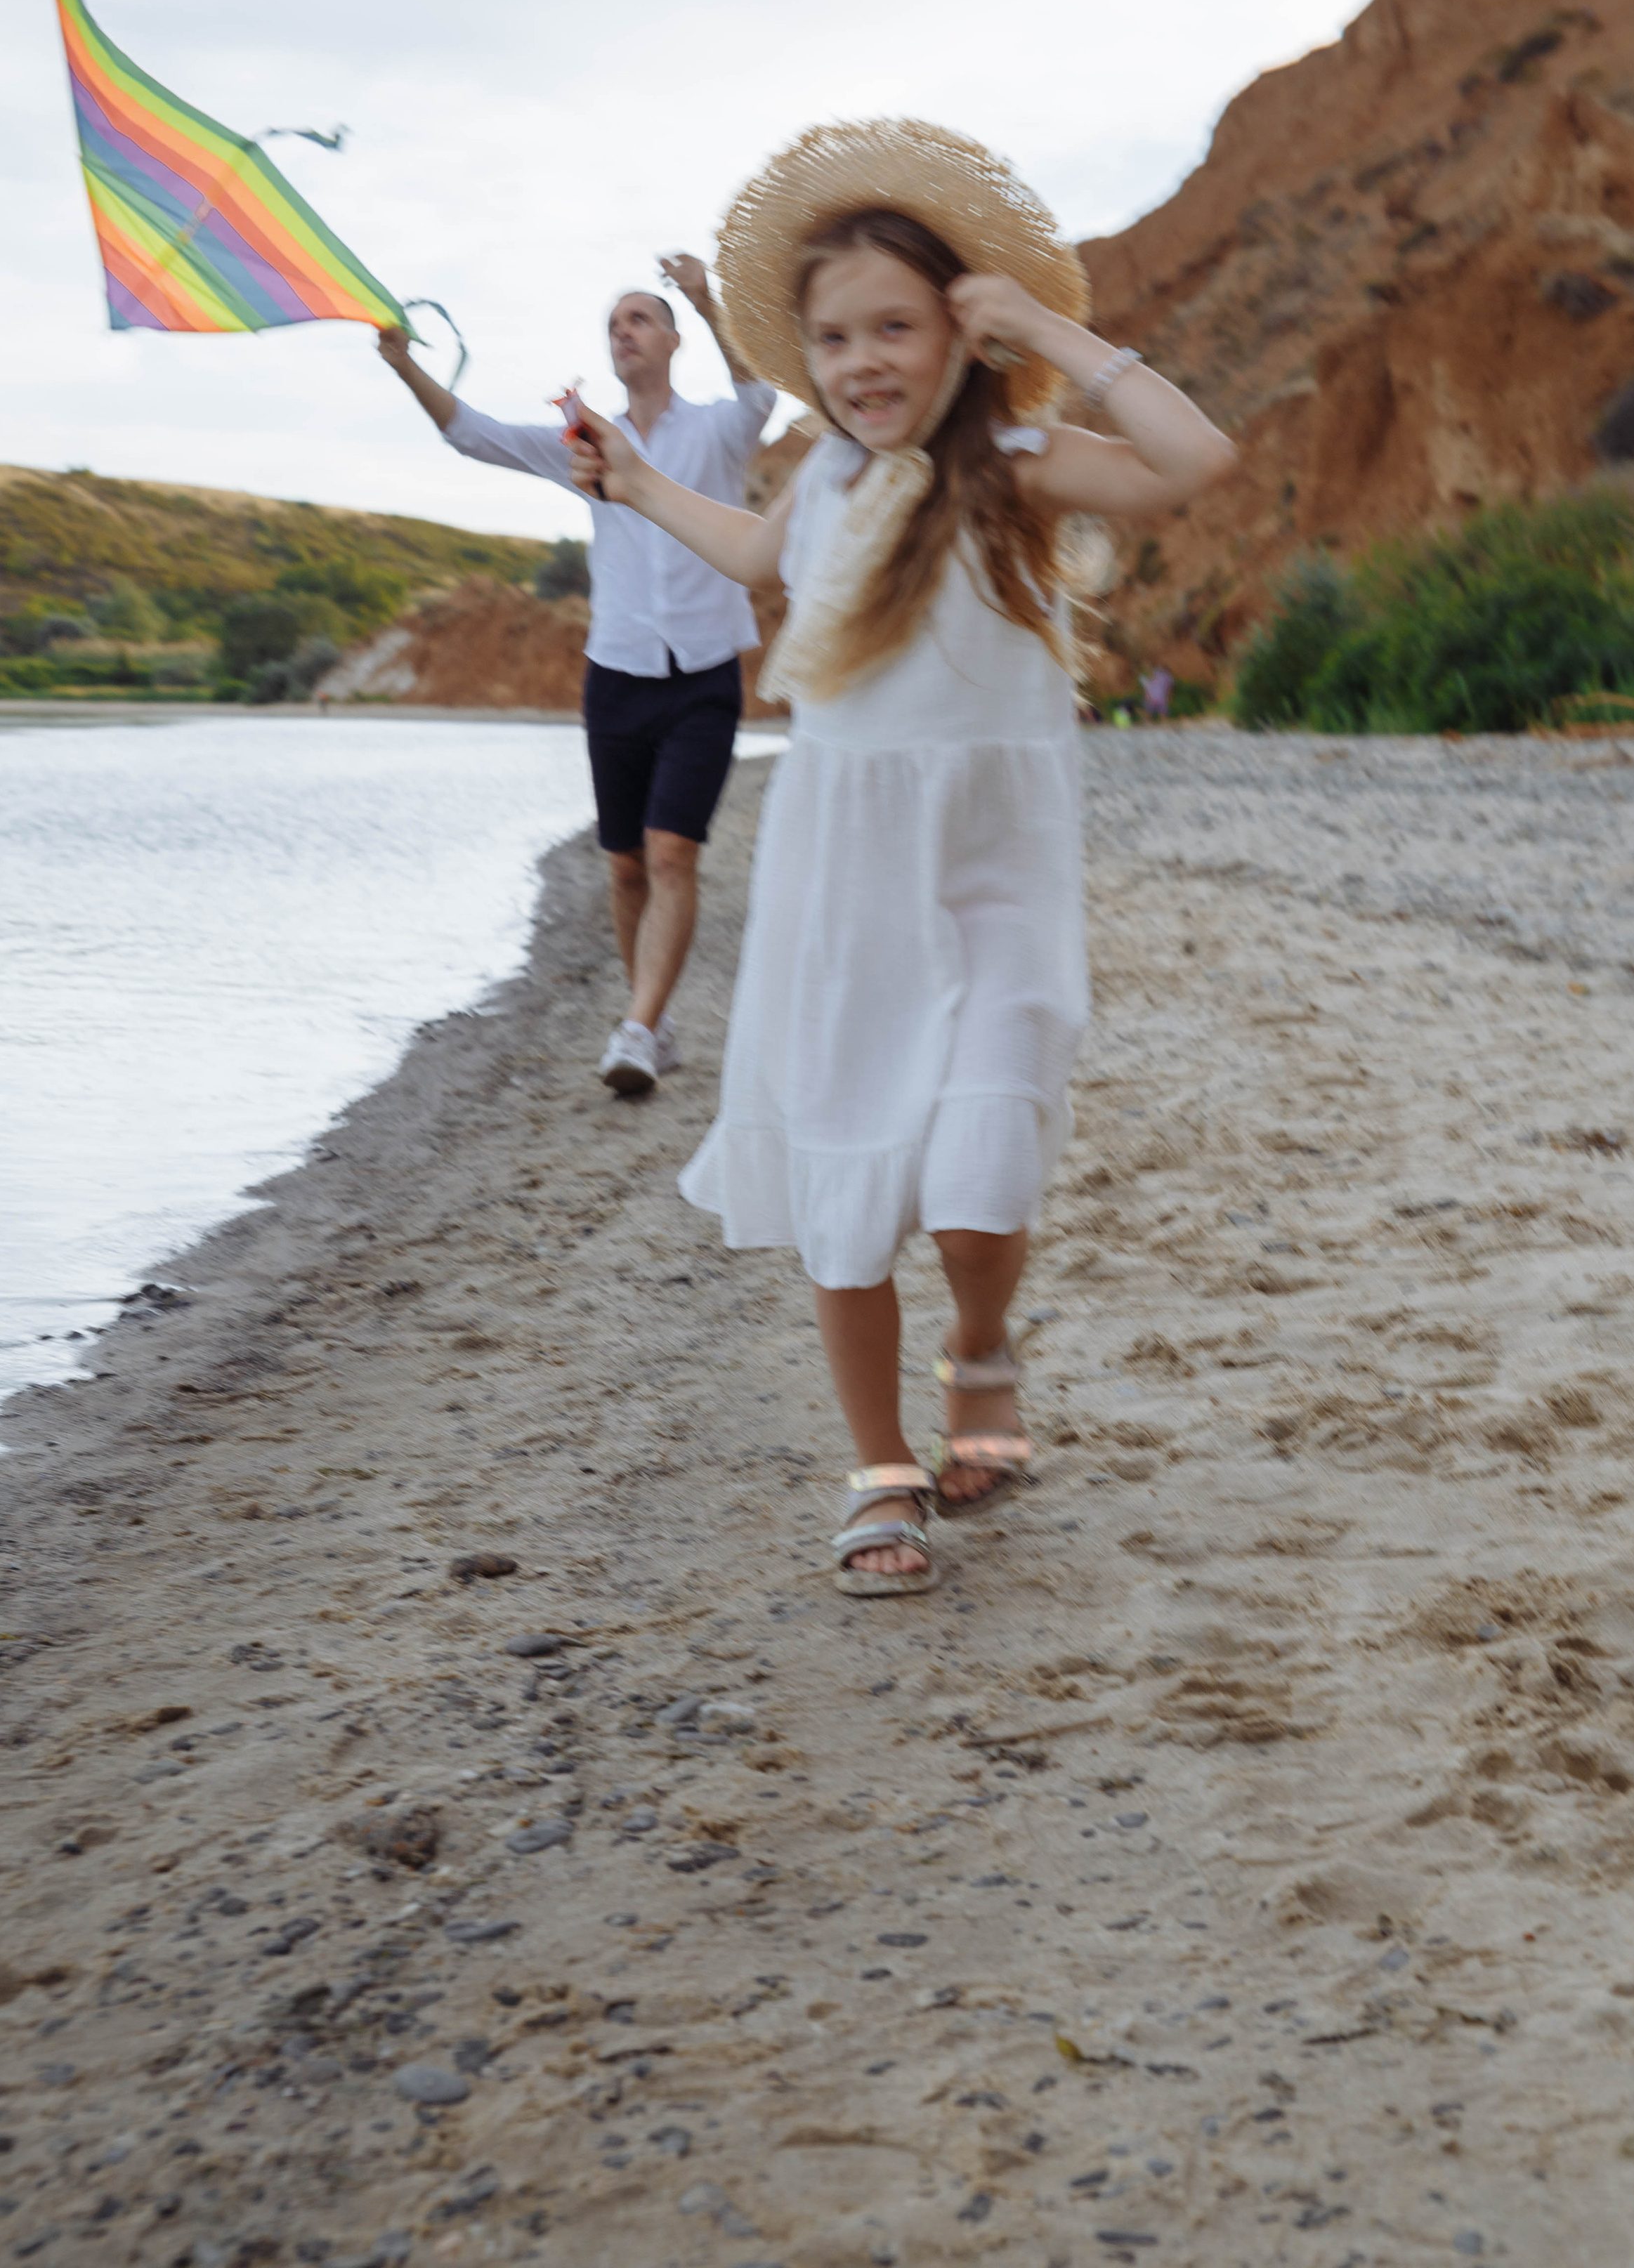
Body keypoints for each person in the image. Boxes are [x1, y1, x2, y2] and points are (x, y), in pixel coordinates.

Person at [561, 118, 1236, 1597]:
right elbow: (749, 559)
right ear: (801, 359)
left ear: (956, 330)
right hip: (842, 875)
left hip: (994, 867)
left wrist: (1049, 328)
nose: (863, 361)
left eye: (895, 327)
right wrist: (627, 479)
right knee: (850, 1162)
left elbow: (1191, 459)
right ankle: (879, 1460)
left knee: (986, 1166)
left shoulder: (1011, 456)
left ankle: (980, 1345)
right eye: (832, 339)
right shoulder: (824, 485)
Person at [377, 257, 774, 1096]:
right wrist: (406, 365)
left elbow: (759, 397)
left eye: (640, 319)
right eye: (614, 324)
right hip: (617, 673)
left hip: (704, 672)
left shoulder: (716, 430)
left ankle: (634, 1027)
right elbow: (472, 434)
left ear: (671, 340)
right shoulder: (585, 445)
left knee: (672, 855)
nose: (623, 331)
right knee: (625, 865)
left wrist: (707, 301)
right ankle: (653, 1023)